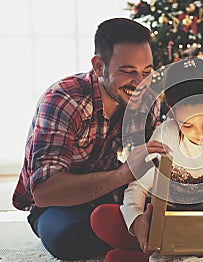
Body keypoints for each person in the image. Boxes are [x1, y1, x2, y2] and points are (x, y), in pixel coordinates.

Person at [12, 18, 170, 260]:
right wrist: (122, 175)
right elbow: (45, 192)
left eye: (146, 72)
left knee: (165, 215)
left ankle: (138, 238)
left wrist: (143, 210)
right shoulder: (64, 100)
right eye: (127, 72)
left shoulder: (146, 103)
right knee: (69, 237)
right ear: (98, 66)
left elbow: (145, 172)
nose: (140, 83)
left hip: (109, 194)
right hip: (57, 204)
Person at [90, 59, 203, 262]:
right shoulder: (164, 136)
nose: (201, 133)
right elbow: (137, 189)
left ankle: (145, 254)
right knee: (101, 217)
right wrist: (137, 221)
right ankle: (164, 248)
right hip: (162, 218)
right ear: (172, 111)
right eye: (188, 125)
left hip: (201, 217)